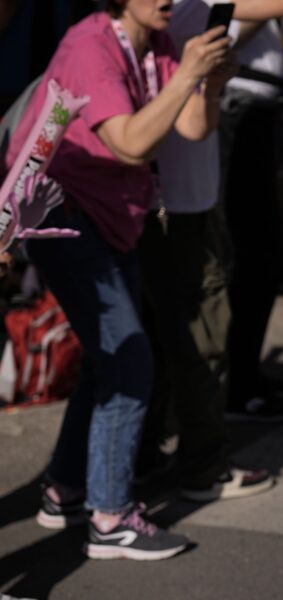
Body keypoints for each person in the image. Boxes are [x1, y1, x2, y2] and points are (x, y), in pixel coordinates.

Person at [6, 0, 232, 560]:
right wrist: (187, 75)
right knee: (129, 363)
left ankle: (65, 488)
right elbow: (129, 142)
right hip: (67, 217)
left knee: (108, 360)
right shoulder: (90, 45)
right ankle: (109, 516)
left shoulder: (155, 45)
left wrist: (210, 81)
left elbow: (193, 125)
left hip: (115, 219)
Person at [135, 0, 283, 501]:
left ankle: (148, 457)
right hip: (173, 202)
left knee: (170, 335)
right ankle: (202, 466)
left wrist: (213, 84)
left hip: (187, 196)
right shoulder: (179, 11)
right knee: (200, 333)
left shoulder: (180, 14)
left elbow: (197, 125)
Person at [218, 1, 283, 422]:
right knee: (253, 253)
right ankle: (236, 387)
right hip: (236, 112)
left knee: (262, 255)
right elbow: (224, 34)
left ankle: (246, 375)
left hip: (260, 108)